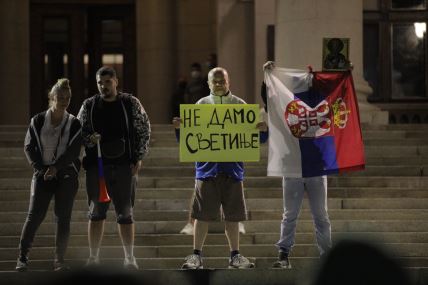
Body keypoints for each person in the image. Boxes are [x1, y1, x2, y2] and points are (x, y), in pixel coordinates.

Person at [173, 67, 268, 269]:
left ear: (228, 82)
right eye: (214, 81)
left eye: (221, 81)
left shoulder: (239, 105)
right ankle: (196, 255)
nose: (218, 84)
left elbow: (254, 139)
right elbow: (189, 140)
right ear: (208, 84)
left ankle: (235, 256)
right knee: (201, 216)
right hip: (207, 169)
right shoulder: (200, 105)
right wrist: (180, 130)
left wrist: (263, 131)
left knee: (233, 216)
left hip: (232, 170)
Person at [77, 66, 151, 270]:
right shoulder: (89, 105)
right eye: (100, 83)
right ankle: (93, 258)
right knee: (96, 213)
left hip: (124, 165)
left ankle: (129, 258)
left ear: (116, 82)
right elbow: (77, 132)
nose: (103, 86)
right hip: (96, 167)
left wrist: (139, 157)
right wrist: (89, 139)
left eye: (107, 82)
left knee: (125, 214)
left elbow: (144, 128)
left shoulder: (130, 103)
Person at [262, 61, 332, 269]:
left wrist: (343, 73)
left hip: (311, 168)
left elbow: (336, 94)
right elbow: (267, 96)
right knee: (299, 215)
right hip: (296, 167)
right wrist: (266, 76)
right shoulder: (284, 101)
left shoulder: (318, 100)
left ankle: (321, 255)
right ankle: (284, 254)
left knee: (312, 215)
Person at [16, 78, 82, 272]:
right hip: (42, 174)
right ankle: (22, 258)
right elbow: (29, 147)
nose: (64, 101)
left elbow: (73, 151)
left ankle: (59, 260)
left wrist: (57, 168)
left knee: (63, 218)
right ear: (51, 98)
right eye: (60, 97)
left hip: (66, 176)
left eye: (67, 97)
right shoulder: (37, 121)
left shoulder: (74, 123)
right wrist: (41, 169)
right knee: (34, 216)